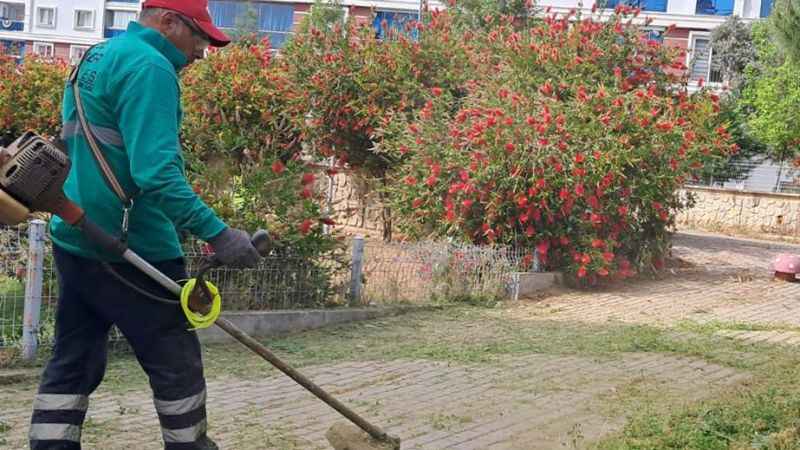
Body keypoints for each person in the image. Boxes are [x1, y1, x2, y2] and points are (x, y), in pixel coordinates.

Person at [28, 1, 259, 449]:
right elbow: (157, 175)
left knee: (73, 359)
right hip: (131, 247)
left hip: (76, 235)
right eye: (198, 38)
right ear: (168, 22)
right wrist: (219, 234)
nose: (201, 52)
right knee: (175, 361)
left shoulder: (96, 56)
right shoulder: (152, 68)